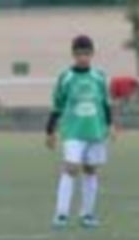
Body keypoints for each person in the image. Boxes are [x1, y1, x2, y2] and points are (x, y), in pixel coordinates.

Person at [46, 35, 116, 229]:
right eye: (79, 54)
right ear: (73, 55)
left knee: (91, 169)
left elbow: (105, 104)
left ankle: (87, 214)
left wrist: (111, 125)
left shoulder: (99, 76)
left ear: (92, 54)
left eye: (86, 53)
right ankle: (61, 214)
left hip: (95, 131)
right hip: (73, 131)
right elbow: (57, 105)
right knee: (71, 167)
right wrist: (50, 131)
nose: (82, 57)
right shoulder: (66, 77)